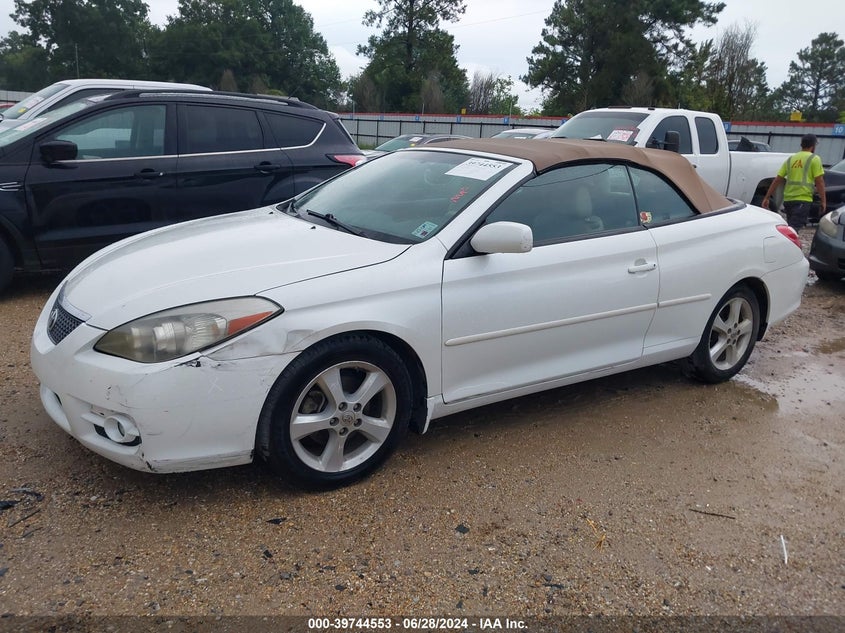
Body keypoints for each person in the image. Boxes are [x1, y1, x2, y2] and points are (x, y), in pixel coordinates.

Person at [762, 134, 826, 230]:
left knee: (791, 228)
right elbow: (819, 181)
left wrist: (767, 197)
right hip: (803, 200)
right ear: (813, 145)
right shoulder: (814, 159)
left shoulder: (791, 159)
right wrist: (823, 201)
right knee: (793, 230)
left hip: (788, 201)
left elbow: (777, 180)